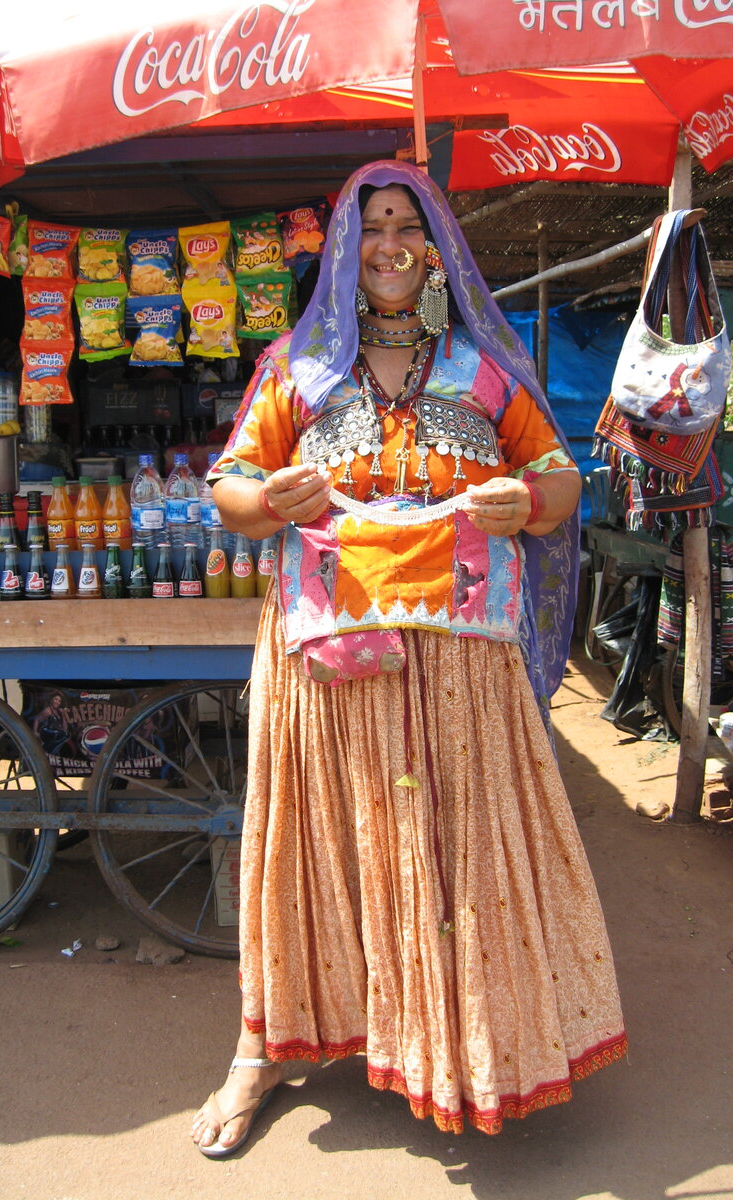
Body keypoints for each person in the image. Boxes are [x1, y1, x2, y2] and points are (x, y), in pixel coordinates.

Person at [191, 160, 627, 1157]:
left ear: (435, 250)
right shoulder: (296, 371)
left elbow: (558, 477)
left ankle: (473, 1047)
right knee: (320, 848)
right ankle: (264, 1044)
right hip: (332, 652)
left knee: (460, 852)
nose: (390, 245)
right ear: (346, 251)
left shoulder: (482, 369)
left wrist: (530, 501)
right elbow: (232, 484)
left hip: (462, 663)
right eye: (372, 227)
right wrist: (269, 503)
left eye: (408, 226)